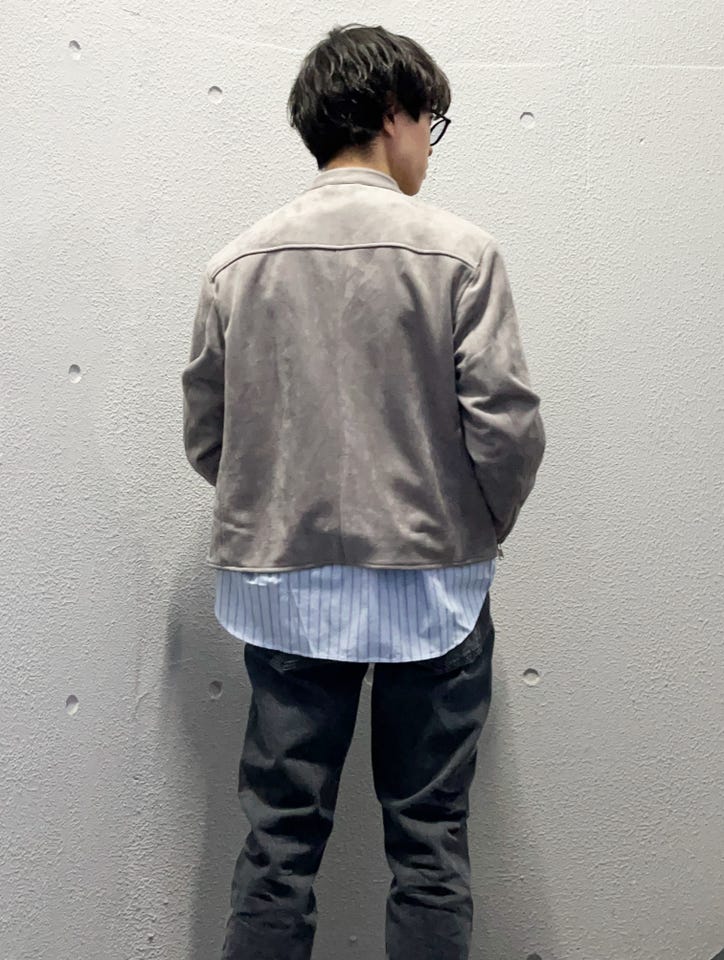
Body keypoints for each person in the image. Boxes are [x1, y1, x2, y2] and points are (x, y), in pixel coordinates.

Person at [181, 22, 546, 960]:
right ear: (392, 113)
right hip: (434, 591)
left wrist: (279, 504)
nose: (430, 143)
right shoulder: (462, 255)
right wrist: (474, 527)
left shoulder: (236, 265)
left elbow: (210, 437)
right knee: (429, 846)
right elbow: (506, 427)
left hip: (286, 592)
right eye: (431, 121)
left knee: (278, 845)